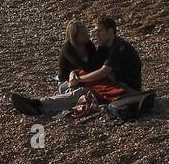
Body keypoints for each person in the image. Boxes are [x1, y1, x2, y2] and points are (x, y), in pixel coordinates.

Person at [10, 16, 143, 116]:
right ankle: (40, 104)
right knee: (81, 90)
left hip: (125, 88)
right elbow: (92, 67)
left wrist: (79, 79)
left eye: (100, 31)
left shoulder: (119, 47)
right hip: (111, 84)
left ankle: (39, 105)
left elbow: (102, 71)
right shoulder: (103, 48)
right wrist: (75, 73)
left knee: (84, 92)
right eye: (96, 31)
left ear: (111, 31)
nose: (96, 35)